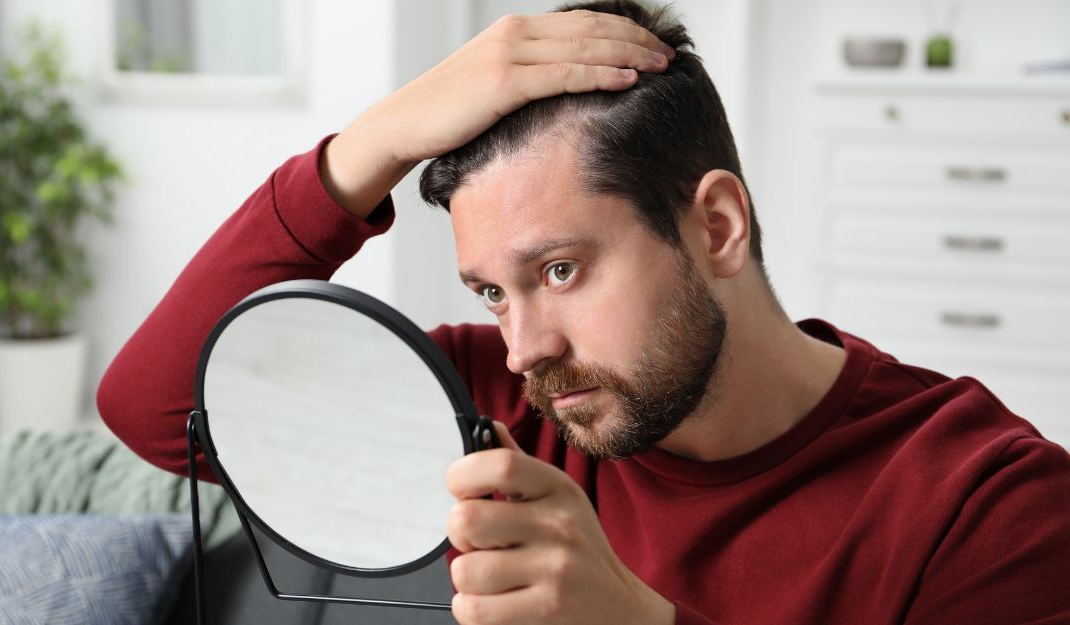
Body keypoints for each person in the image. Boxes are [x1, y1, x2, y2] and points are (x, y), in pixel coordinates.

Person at [96, 1, 1070, 623]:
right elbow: (157, 410)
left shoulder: (986, 502)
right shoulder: (490, 409)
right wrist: (372, 144)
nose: (526, 348)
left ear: (718, 227)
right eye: (491, 291)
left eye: (559, 270)